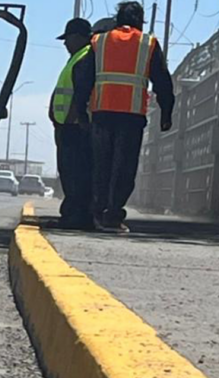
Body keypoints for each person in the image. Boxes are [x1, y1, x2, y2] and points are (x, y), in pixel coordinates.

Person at [73, 1, 174, 232]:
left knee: (102, 165)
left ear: (117, 19)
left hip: (102, 114)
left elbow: (83, 77)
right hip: (131, 116)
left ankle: (97, 212)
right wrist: (166, 112)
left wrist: (81, 111)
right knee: (124, 167)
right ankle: (113, 214)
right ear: (141, 20)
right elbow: (162, 81)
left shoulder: (100, 41)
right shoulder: (148, 43)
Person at [49, 18, 95, 230]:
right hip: (66, 125)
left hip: (74, 127)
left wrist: (69, 121)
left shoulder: (85, 58)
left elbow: (80, 94)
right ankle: (73, 214)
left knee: (74, 173)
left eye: (68, 39)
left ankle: (75, 216)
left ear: (79, 37)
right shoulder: (77, 57)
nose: (65, 43)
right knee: (69, 173)